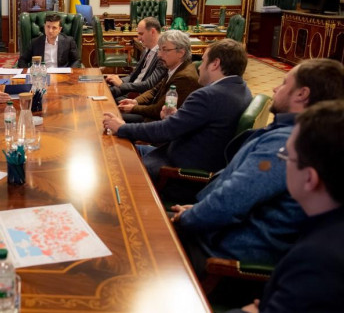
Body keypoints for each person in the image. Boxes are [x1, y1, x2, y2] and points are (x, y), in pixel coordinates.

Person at [170, 58, 344, 277]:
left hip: (222, 257)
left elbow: (231, 201)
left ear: (302, 94)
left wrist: (188, 217)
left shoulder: (287, 142)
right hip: (216, 232)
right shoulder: (297, 133)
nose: (275, 88)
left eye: (284, 83)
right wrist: (197, 210)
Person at [238, 100, 344, 313]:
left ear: (309, 179)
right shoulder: (325, 222)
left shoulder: (319, 260)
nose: (282, 162)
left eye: (286, 156)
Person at [103, 38, 252, 181]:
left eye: (203, 61)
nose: (199, 67)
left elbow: (165, 131)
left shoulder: (208, 95)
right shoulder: (242, 90)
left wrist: (122, 128)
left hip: (178, 170)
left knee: (114, 163)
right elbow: (203, 124)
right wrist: (175, 116)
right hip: (191, 157)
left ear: (215, 64)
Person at [116, 30, 201, 123]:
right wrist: (135, 101)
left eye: (165, 50)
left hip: (161, 122)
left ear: (181, 53)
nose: (159, 55)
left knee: (116, 116)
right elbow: (155, 90)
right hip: (154, 114)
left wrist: (133, 108)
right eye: (159, 49)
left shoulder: (184, 77)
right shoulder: (174, 67)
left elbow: (159, 110)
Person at [105, 17, 167, 101]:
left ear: (152, 32)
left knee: (108, 103)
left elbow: (149, 84)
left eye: (141, 34)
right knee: (104, 91)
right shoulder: (146, 49)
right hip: (131, 89)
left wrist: (121, 85)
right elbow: (133, 75)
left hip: (140, 96)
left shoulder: (163, 55)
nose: (139, 38)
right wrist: (117, 80)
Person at [17, 13, 81, 68]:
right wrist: (29, 72)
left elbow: (76, 60)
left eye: (54, 28)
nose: (50, 31)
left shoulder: (68, 42)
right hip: (42, 75)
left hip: (61, 75)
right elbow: (22, 60)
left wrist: (70, 73)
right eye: (48, 27)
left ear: (59, 29)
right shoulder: (35, 42)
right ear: (44, 27)